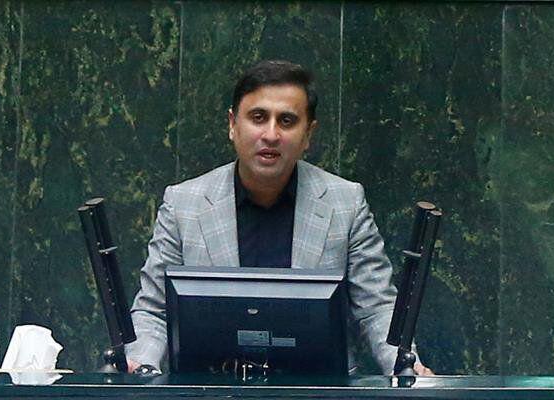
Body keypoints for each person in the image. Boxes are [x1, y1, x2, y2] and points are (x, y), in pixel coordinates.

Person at [125, 60, 432, 375]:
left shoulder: (345, 203)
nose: (271, 134)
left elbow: (377, 308)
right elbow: (153, 311)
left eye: (287, 121)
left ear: (308, 134)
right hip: (211, 388)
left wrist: (406, 368)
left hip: (318, 390)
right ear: (232, 124)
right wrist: (142, 367)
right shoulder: (184, 204)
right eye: (258, 117)